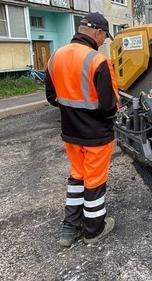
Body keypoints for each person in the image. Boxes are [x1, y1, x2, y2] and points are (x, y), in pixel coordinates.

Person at [45, 12, 119, 247]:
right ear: (97, 32)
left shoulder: (54, 57)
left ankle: (70, 228)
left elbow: (52, 97)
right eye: (104, 37)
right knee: (95, 181)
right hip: (96, 136)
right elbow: (109, 107)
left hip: (71, 134)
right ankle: (94, 230)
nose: (103, 42)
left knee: (77, 177)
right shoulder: (98, 61)